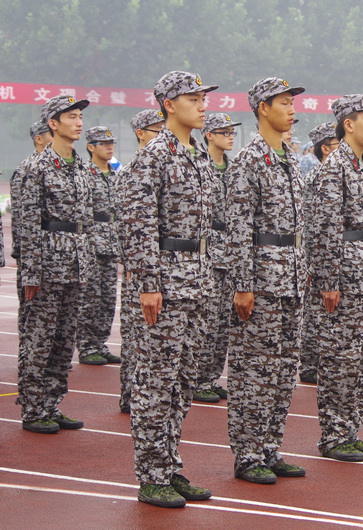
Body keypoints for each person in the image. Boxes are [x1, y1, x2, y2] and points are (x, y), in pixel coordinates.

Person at [120, 70, 218, 508]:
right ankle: (151, 475)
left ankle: (169, 465)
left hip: (197, 280)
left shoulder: (196, 153)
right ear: (168, 105)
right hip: (165, 283)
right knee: (155, 381)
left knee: (182, 382)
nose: (202, 105)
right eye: (192, 98)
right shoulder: (154, 155)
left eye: (202, 97)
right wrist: (147, 284)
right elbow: (139, 223)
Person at [224, 77, 308, 484]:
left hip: (290, 279)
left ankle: (270, 447)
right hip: (261, 281)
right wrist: (243, 283)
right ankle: (248, 453)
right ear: (262, 108)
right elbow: (238, 227)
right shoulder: (249, 159)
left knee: (282, 369)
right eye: (284, 103)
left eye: (293, 103)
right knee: (253, 369)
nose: (292, 110)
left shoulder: (289, 158)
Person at [310, 94, 363, 462]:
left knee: (362, 356)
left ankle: (351, 428)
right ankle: (334, 434)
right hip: (344, 276)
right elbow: (324, 230)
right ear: (349, 124)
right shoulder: (334, 167)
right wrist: (329, 281)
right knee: (340, 357)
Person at [16, 95, 94, 434]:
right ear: (53, 123)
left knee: (64, 341)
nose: (78, 122)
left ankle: (52, 402)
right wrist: (31, 272)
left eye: (79, 116)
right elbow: (27, 224)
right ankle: (34, 408)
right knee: (39, 339)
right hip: (46, 268)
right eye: (71, 116)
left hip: (75, 266)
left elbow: (86, 221)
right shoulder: (34, 168)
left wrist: (87, 262)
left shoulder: (81, 167)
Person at [116, 109, 166, 414]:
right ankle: (129, 395)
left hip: (160, 267)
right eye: (154, 130)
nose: (160, 134)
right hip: (139, 269)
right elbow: (132, 225)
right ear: (140, 133)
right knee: (136, 336)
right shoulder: (133, 170)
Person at [192, 112, 242, 404]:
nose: (230, 136)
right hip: (209, 248)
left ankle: (211, 376)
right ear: (209, 135)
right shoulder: (201, 166)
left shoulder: (234, 169)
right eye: (224, 132)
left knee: (224, 320)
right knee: (206, 319)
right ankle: (198, 378)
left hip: (230, 251)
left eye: (232, 132)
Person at [76, 126, 122, 366]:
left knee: (107, 298)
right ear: (90, 147)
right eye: (103, 143)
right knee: (90, 299)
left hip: (112, 243)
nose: (109, 147)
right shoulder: (84, 174)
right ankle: (86, 346)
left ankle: (100, 344)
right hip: (92, 243)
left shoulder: (115, 175)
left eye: (111, 142)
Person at [299, 121, 338, 385]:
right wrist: (311, 262)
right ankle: (310, 364)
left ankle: (322, 360)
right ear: (325, 148)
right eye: (337, 144)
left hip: (327, 255)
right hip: (315, 255)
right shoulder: (317, 178)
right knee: (314, 313)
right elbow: (312, 224)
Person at [11, 121, 53, 313]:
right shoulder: (27, 169)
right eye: (51, 134)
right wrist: (25, 259)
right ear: (39, 139)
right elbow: (21, 217)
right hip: (33, 255)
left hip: (55, 255)